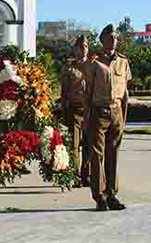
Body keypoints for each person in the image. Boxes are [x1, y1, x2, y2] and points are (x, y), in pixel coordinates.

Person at [86, 24, 130, 211]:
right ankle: (99, 196)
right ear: (102, 40)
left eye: (115, 38)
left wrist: (123, 118)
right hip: (98, 112)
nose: (113, 41)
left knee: (113, 155)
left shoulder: (123, 62)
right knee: (97, 155)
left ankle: (112, 194)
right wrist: (88, 116)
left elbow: (125, 93)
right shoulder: (94, 63)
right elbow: (87, 91)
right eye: (110, 37)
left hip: (116, 112)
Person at [60, 35, 91, 188]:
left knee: (88, 144)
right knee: (73, 145)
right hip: (74, 110)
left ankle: (87, 175)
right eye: (80, 46)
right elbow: (64, 89)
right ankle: (75, 175)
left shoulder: (93, 65)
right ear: (75, 49)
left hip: (90, 110)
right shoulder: (69, 67)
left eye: (85, 46)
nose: (83, 49)